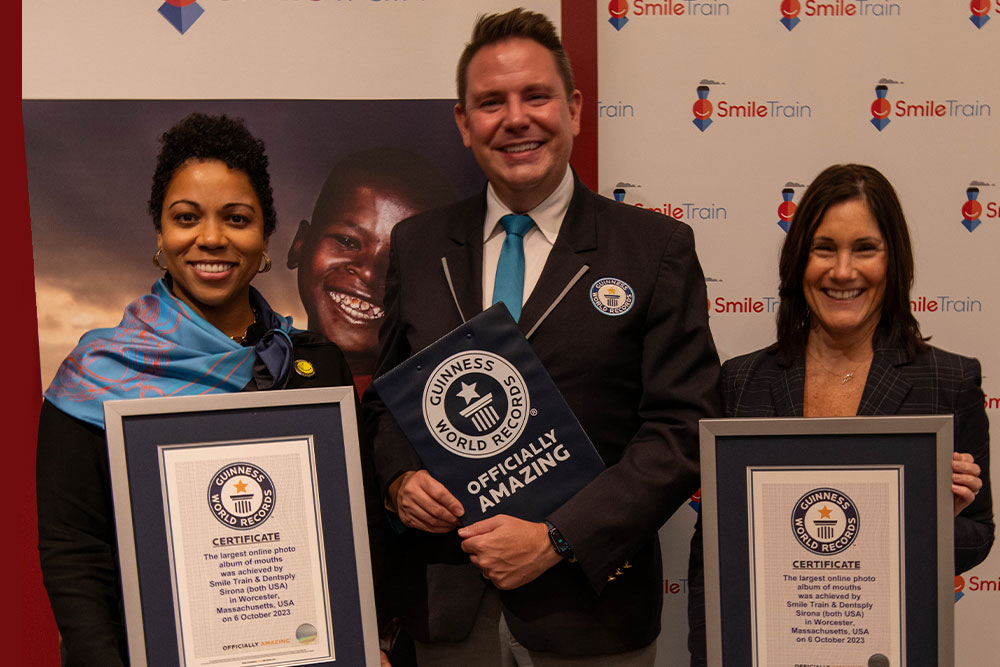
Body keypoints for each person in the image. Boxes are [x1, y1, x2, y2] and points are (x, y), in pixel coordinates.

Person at [363, 8, 721, 665]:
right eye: (491, 102)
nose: (516, 118)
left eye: (536, 95)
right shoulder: (417, 246)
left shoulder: (653, 248)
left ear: (575, 108)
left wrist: (559, 537)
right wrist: (399, 478)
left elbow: (681, 428)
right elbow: (386, 399)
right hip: (446, 613)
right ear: (464, 123)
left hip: (592, 612)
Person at [36, 113, 390, 666]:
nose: (211, 238)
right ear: (160, 232)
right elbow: (75, 554)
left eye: (236, 218)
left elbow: (354, 531)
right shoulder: (96, 375)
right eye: (186, 217)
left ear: (265, 235)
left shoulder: (316, 368)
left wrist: (362, 639)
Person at [686, 163, 994, 665]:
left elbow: (978, 538)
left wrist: (932, 520)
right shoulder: (742, 381)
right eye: (824, 247)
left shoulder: (949, 380)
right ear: (798, 260)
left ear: (894, 261)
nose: (843, 271)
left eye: (865, 248)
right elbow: (713, 555)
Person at [287, 148, 455, 396]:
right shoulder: (246, 377)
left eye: (398, 258)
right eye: (347, 241)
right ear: (299, 244)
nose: (368, 273)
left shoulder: (439, 407)